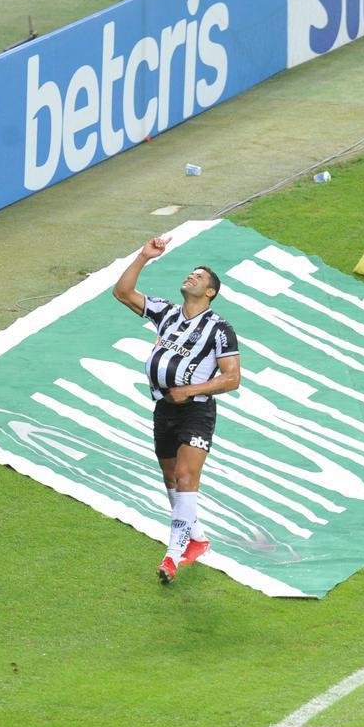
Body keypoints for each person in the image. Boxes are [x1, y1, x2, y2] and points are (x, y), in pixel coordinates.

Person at [112, 235, 241, 584]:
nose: (191, 277)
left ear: (210, 292)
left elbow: (232, 378)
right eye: (191, 273)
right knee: (171, 478)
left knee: (185, 476)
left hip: (196, 410)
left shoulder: (220, 329)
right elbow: (122, 292)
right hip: (164, 407)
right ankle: (196, 538)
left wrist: (191, 390)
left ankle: (172, 556)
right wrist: (144, 256)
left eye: (199, 276)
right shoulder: (167, 313)